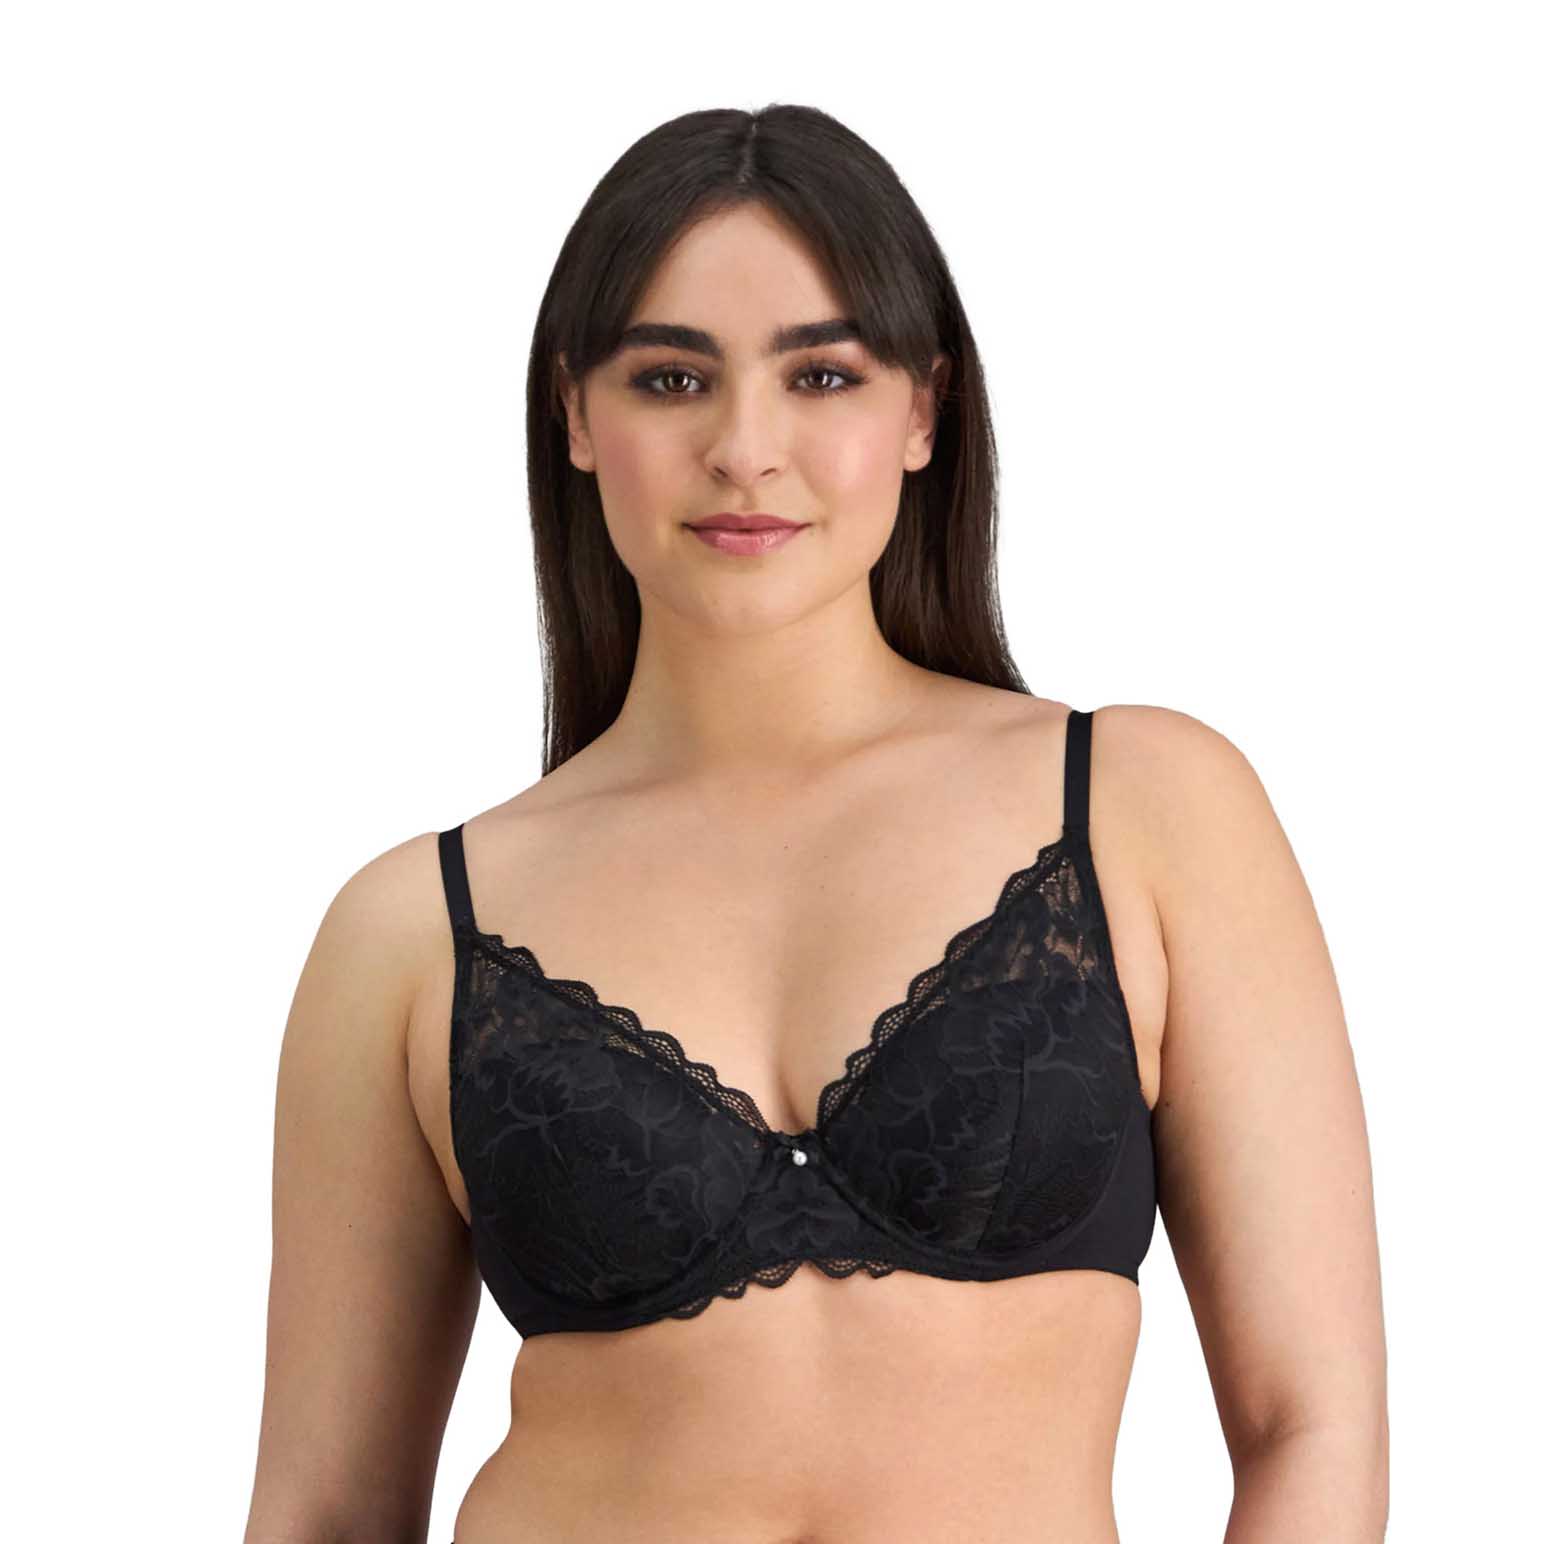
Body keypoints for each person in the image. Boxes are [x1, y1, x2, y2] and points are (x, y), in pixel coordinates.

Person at [244, 104, 1389, 1544]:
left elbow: (1313, 1429)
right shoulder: (414, 929)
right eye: (672, 378)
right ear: (576, 415)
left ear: (923, 411)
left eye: (822, 375)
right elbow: (323, 1510)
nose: (745, 449)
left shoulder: (1142, 810)